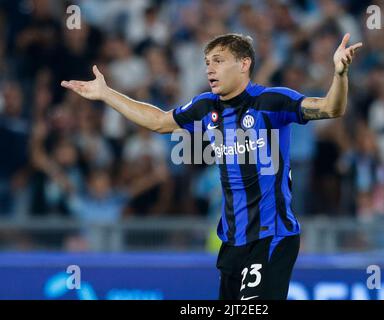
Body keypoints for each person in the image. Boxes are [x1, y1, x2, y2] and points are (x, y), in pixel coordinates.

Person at [61, 33, 362, 300]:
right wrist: (105, 94)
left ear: (244, 64)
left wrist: (340, 74)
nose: (209, 68)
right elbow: (158, 121)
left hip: (271, 238)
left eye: (218, 60)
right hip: (231, 243)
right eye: (207, 62)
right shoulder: (206, 107)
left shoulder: (271, 102)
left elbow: (330, 108)